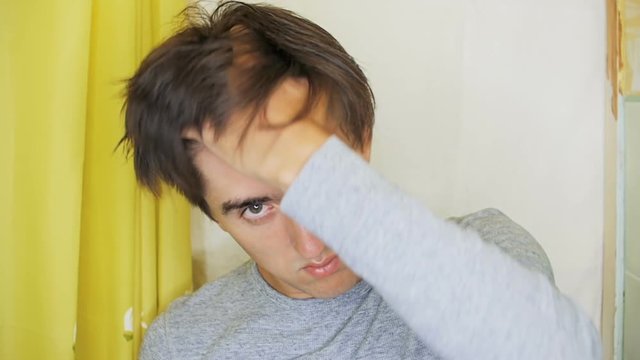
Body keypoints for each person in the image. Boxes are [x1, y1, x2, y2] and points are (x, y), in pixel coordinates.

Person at [121, 2, 601, 359]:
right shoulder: (184, 342)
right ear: (211, 213)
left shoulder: (488, 254)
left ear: (362, 139)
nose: (312, 243)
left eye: (314, 174)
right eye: (255, 208)